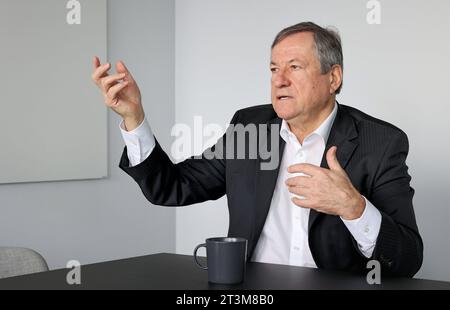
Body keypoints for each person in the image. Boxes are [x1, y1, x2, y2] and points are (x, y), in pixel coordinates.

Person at [91, 22, 423, 277]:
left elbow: (407, 259)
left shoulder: (380, 143)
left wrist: (354, 207)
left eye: (294, 67)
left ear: (333, 77)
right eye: (274, 69)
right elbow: (172, 187)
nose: (279, 80)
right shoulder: (250, 127)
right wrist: (134, 117)